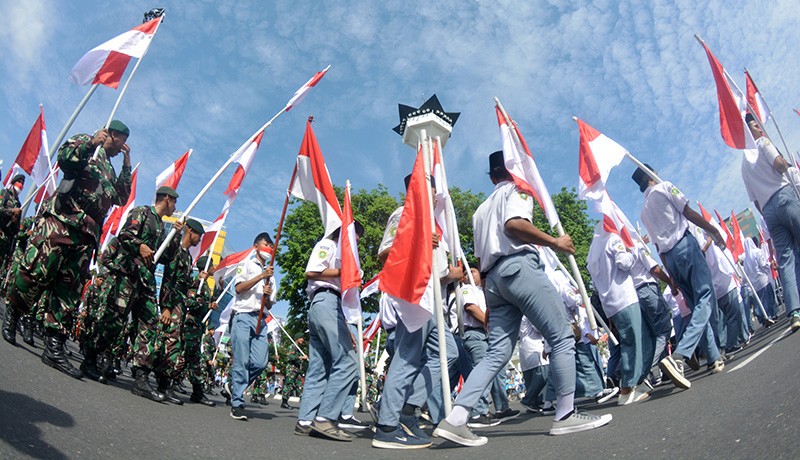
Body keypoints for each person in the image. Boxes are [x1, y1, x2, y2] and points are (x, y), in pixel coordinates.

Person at [433, 151, 612, 446]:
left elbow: (480, 258)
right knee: (561, 336)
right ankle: (565, 414)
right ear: (513, 169)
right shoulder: (518, 189)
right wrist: (555, 242)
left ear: (492, 176)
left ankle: (456, 418)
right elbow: (514, 225)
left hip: (494, 280)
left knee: (496, 354)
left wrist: (490, 298)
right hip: (518, 267)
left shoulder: (480, 211)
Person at [4, 121, 132, 374]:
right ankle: (13, 313)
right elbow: (65, 159)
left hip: (86, 236)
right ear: (113, 134)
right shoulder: (87, 143)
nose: (123, 147)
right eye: (122, 142)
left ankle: (54, 347)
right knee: (36, 274)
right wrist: (91, 144)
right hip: (62, 223)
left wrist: (127, 165)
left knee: (68, 291)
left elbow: (121, 197)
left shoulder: (109, 167)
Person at [632, 164, 725, 389]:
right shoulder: (665, 187)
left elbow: (658, 247)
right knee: (705, 299)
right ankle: (681, 354)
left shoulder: (644, 213)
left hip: (670, 258)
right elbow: (688, 212)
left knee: (696, 306)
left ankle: (713, 357)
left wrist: (671, 275)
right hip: (685, 245)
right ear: (651, 175)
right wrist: (713, 230)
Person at [295, 225, 361, 441]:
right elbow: (311, 272)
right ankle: (325, 418)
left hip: (329, 305)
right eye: (356, 238)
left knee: (320, 367)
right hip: (326, 300)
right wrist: (345, 272)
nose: (356, 244)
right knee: (348, 361)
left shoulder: (339, 253)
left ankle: (305, 420)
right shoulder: (328, 245)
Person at [741, 113, 800, 332]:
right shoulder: (763, 143)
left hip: (768, 211)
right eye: (756, 125)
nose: (760, 128)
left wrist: (767, 213)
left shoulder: (743, 165)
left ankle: (794, 311)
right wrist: (784, 160)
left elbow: (755, 201)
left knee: (786, 260)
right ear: (751, 131)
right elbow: (780, 165)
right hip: (784, 196)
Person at [587, 222, 651, 405]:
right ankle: (628, 388)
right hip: (625, 298)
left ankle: (636, 381)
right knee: (634, 341)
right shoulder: (613, 240)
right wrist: (632, 250)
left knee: (629, 341)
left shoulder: (594, 253)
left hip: (610, 304)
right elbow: (624, 262)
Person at [153, 218, 205, 404]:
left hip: (180, 304)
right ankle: (162, 385)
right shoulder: (176, 251)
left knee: (174, 343)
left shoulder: (188, 256)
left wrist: (197, 281)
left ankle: (164, 383)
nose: (200, 239)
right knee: (171, 342)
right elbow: (169, 279)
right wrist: (166, 307)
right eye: (198, 235)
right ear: (190, 231)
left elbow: (184, 283)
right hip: (172, 302)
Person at [228, 232, 276, 420]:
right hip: (243, 316)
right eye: (266, 244)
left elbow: (270, 304)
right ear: (256, 246)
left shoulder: (271, 275)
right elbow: (239, 288)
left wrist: (267, 295)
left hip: (260, 320)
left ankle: (235, 386)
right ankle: (237, 403)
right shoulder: (246, 265)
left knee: (260, 362)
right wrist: (260, 277)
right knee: (241, 360)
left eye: (271, 246)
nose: (269, 248)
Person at [282, 333, 306, 409]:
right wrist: (301, 357)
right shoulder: (292, 347)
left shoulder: (298, 348)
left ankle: (304, 403)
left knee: (300, 386)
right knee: (289, 385)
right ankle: (284, 402)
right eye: (301, 338)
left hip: (297, 370)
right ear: (297, 338)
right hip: (291, 370)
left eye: (303, 338)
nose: (302, 339)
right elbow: (289, 357)